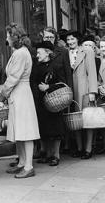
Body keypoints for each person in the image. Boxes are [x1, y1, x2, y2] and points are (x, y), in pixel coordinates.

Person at [0, 23, 39, 179]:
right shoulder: (19, 52)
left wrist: (3, 94)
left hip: (21, 93)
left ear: (14, 37)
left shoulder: (20, 53)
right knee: (20, 131)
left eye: (8, 35)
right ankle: (22, 162)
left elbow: (14, 77)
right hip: (18, 93)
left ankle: (28, 166)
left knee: (26, 131)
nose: (6, 38)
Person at [30, 41, 67, 166]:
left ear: (47, 53)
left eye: (39, 52)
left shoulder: (56, 66)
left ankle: (55, 155)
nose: (37, 55)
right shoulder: (36, 66)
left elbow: (62, 83)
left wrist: (49, 87)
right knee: (43, 128)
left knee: (55, 129)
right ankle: (45, 153)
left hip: (54, 101)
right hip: (40, 101)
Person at [41, 27, 73, 156]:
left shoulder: (63, 52)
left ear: (55, 38)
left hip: (58, 91)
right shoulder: (38, 50)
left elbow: (67, 73)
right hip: (42, 91)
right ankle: (46, 153)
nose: (48, 39)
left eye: (51, 37)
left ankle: (56, 154)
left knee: (57, 123)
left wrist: (69, 90)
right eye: (46, 37)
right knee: (44, 122)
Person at [66, 31, 98, 159]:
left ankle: (88, 148)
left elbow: (92, 72)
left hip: (84, 89)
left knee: (88, 119)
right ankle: (79, 148)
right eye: (68, 39)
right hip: (72, 90)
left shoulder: (87, 51)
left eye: (72, 39)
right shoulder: (65, 52)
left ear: (77, 39)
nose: (70, 42)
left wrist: (92, 91)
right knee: (75, 120)